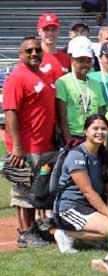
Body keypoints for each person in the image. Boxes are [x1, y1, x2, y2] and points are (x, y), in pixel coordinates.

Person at [3, 37, 60, 248]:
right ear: (21, 54)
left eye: (37, 50)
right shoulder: (17, 77)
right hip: (27, 146)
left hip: (43, 144)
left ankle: (33, 228)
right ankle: (24, 233)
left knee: (37, 190)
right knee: (24, 190)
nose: (34, 53)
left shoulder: (42, 75)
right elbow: (10, 112)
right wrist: (17, 147)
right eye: (29, 51)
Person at [53, 115, 108, 253]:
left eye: (104, 129)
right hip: (71, 207)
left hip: (90, 204)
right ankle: (66, 234)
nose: (100, 132)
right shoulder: (77, 155)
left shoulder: (102, 154)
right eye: (95, 128)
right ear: (85, 131)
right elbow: (88, 191)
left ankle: (92, 237)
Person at [56, 38, 105, 145]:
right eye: (81, 60)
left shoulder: (96, 84)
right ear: (72, 60)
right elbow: (62, 116)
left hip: (93, 135)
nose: (85, 64)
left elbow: (100, 113)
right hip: (73, 136)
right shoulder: (63, 82)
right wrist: (68, 139)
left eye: (88, 61)